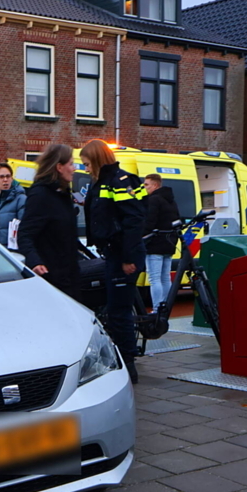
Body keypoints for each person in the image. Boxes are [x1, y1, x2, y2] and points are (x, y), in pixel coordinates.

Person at [81, 139, 146, 384]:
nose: (85, 168)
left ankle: (128, 365)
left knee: (119, 311)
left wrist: (128, 258)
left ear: (97, 160)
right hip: (113, 252)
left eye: (87, 164)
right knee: (116, 307)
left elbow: (133, 220)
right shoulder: (101, 183)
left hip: (122, 254)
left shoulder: (120, 181)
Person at [16, 144, 80, 298]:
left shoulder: (63, 194)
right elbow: (25, 233)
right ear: (59, 167)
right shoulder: (40, 195)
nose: (74, 169)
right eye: (71, 164)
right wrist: (35, 262)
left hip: (69, 274)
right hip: (52, 278)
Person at [142, 173, 181, 314]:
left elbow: (149, 223)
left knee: (154, 278)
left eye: (147, 184)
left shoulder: (154, 200)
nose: (144, 187)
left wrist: (141, 236)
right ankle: (166, 307)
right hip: (169, 243)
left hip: (155, 244)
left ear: (155, 185)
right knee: (165, 277)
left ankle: (157, 309)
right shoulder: (171, 200)